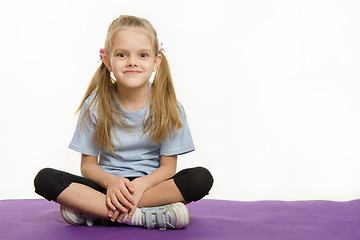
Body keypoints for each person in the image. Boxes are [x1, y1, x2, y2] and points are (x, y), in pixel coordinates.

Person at [34, 15, 213, 230]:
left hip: (149, 187)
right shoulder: (95, 105)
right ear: (107, 61)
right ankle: (140, 216)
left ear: (156, 61)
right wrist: (112, 183)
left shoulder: (170, 106)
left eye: (143, 55)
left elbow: (168, 168)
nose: (132, 62)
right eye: (121, 54)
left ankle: (94, 210)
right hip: (106, 186)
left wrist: (140, 185)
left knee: (200, 178)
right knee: (44, 179)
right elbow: (88, 166)